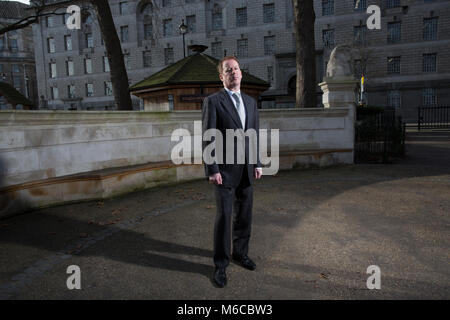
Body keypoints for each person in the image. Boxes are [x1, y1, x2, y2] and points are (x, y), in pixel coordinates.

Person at [202, 56, 262, 288]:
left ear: (241, 73)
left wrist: (256, 163)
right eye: (229, 70)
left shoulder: (250, 102)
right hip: (224, 172)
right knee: (225, 218)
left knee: (245, 216)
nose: (234, 73)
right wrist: (212, 169)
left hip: (247, 170)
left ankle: (240, 253)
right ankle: (220, 265)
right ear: (222, 76)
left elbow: (253, 134)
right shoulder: (213, 101)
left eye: (236, 69)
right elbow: (208, 137)